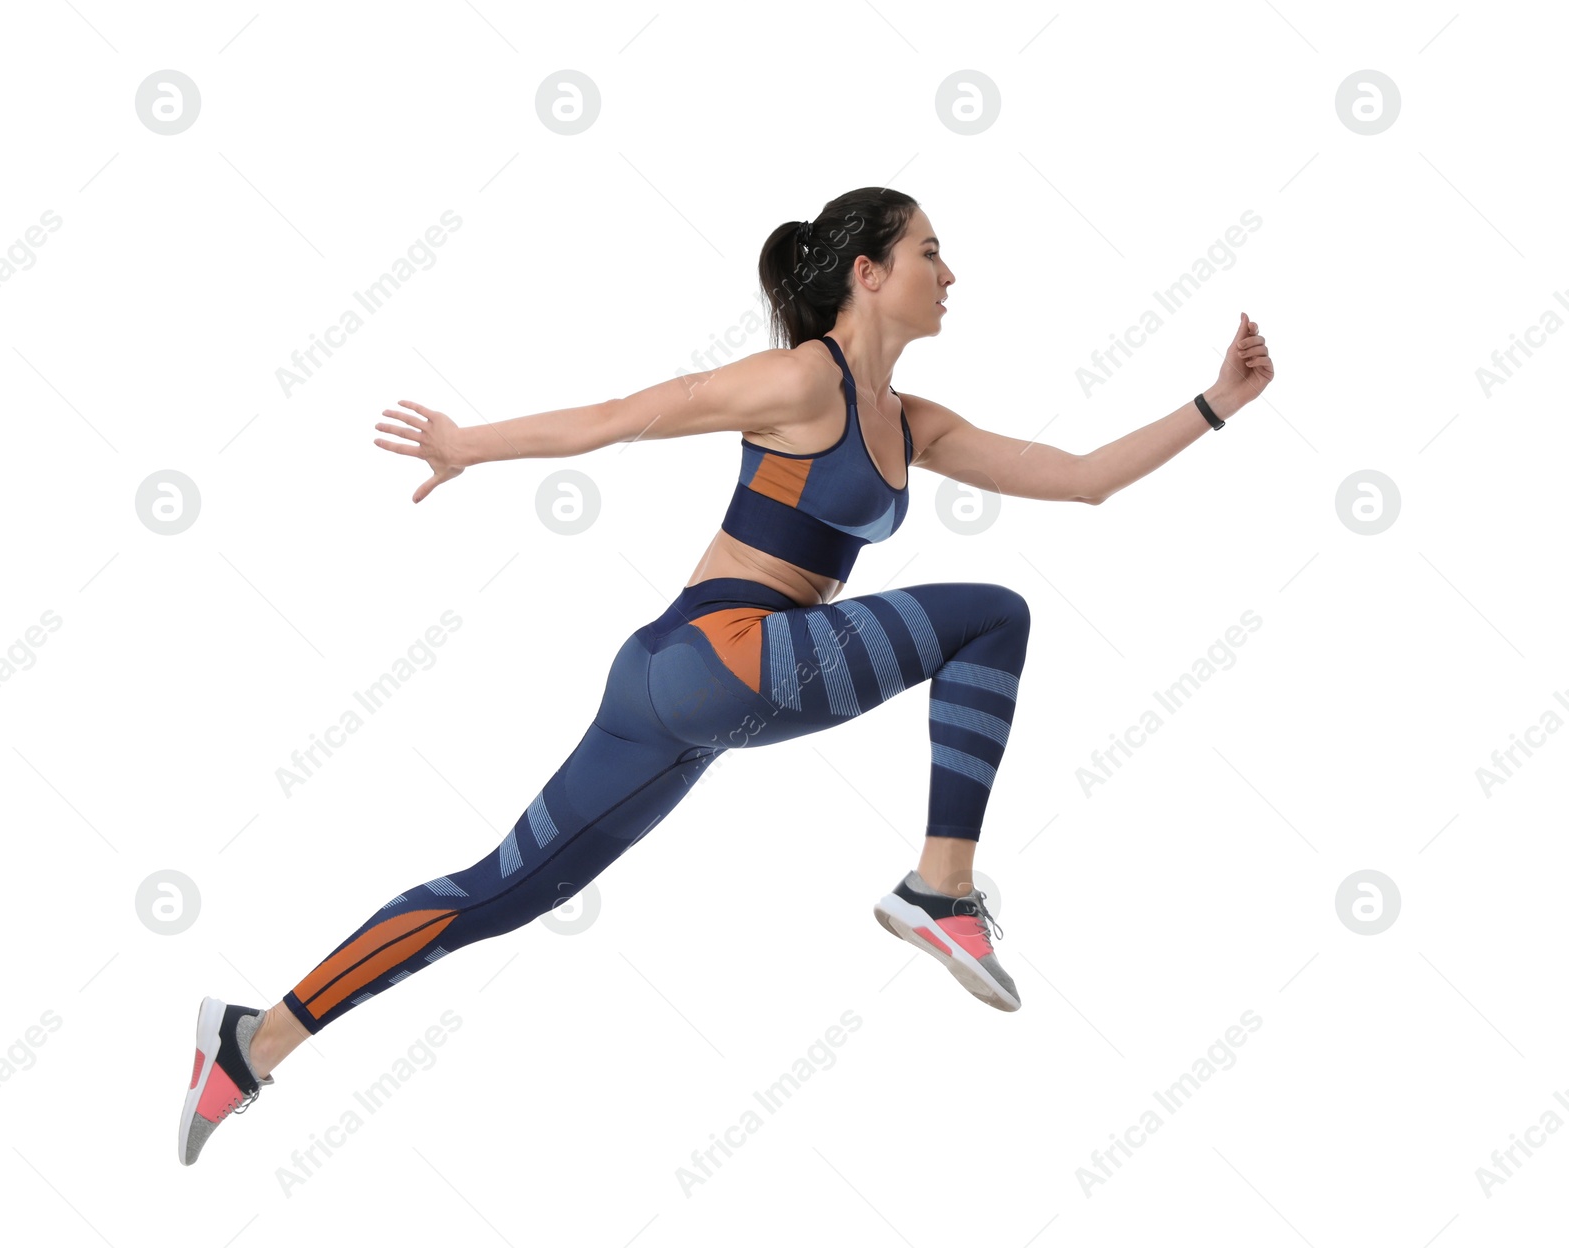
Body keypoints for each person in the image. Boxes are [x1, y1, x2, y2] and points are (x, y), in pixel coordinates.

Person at [179, 187, 1273, 1165]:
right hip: (719, 654)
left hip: (682, 692)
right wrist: (469, 444)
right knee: (989, 617)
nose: (952, 275)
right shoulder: (802, 379)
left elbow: (1077, 480)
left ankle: (249, 1043)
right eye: (932, 252)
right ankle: (939, 889)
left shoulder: (912, 423)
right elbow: (622, 417)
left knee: (508, 890)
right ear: (867, 272)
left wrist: (1214, 402)